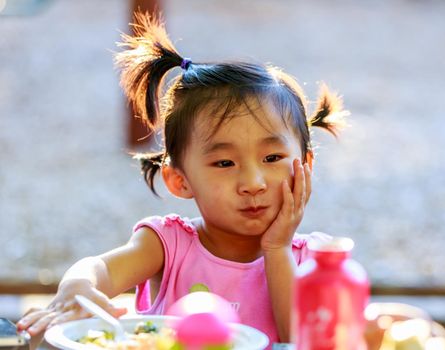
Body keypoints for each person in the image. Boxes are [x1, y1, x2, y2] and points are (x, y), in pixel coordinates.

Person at [16, 12, 349, 346]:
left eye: (272, 158)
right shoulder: (169, 244)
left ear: (305, 164)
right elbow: (100, 269)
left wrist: (277, 248)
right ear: (180, 180)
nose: (253, 182)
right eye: (224, 162)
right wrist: (79, 285)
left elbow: (303, 338)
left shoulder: (315, 262)